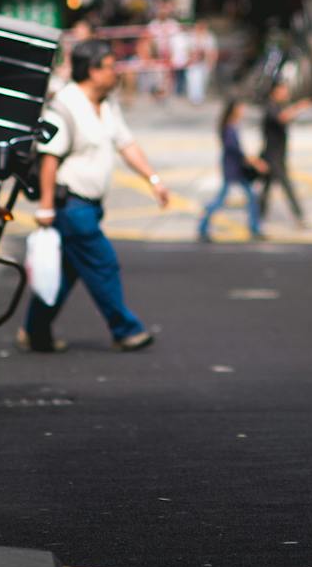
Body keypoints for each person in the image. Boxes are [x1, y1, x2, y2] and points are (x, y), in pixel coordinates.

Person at [19, 38, 170, 353]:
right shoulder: (64, 106)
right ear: (91, 70)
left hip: (91, 206)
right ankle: (125, 329)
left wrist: (153, 179)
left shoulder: (107, 104)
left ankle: (35, 331)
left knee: (63, 275)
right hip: (71, 206)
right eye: (110, 67)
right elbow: (49, 159)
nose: (116, 73)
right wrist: (45, 206)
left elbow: (126, 144)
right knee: (103, 264)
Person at [197, 99, 268, 241]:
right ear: (233, 110)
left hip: (234, 168)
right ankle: (203, 226)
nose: (242, 111)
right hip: (233, 169)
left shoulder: (231, 126)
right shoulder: (229, 128)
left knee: (250, 197)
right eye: (240, 108)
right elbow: (236, 151)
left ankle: (254, 228)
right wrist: (254, 162)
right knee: (221, 200)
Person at [257, 80, 311, 224]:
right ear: (275, 92)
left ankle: (257, 217)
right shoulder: (270, 107)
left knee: (266, 189)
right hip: (273, 156)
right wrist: (299, 107)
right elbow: (283, 118)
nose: (286, 93)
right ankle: (299, 217)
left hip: (277, 155)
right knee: (286, 186)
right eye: (283, 90)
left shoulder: (279, 106)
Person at [186, 19, 219, 104]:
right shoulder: (191, 36)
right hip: (194, 62)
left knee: (203, 80)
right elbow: (187, 49)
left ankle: (200, 97)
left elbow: (213, 50)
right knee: (193, 80)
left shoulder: (209, 36)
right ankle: (194, 98)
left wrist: (212, 62)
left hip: (205, 62)